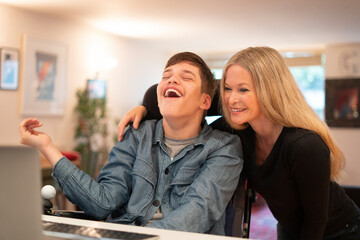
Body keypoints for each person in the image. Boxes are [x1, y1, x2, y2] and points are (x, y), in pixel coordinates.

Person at [117, 47, 360, 240]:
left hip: (341, 230)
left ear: (269, 91)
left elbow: (316, 219)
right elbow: (184, 97)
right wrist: (145, 108)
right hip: (289, 227)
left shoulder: (304, 145)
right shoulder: (236, 131)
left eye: (243, 89)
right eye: (228, 89)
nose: (232, 99)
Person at [19, 52, 243, 235]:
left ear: (205, 101)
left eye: (186, 77)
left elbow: (193, 218)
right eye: (166, 76)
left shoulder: (224, 147)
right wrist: (47, 147)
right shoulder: (136, 135)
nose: (172, 80)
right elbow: (103, 203)